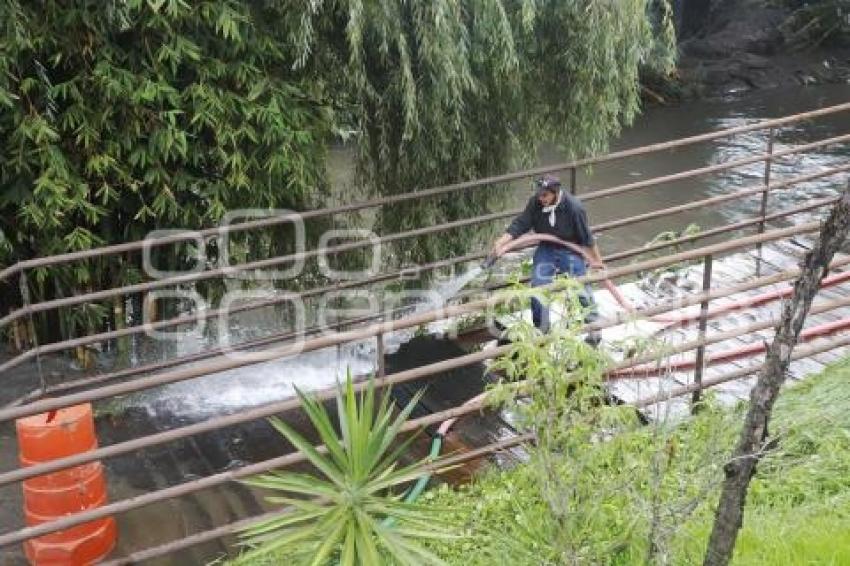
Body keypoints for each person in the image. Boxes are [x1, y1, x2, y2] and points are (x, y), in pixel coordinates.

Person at [490, 174, 602, 335]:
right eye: (539, 194)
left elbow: (587, 238)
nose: (541, 198)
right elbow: (521, 223)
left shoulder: (574, 208)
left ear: (555, 193)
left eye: (545, 195)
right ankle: (542, 329)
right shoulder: (535, 203)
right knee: (538, 286)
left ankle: (594, 329)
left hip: (570, 249)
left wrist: (597, 262)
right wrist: (502, 241)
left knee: (581, 287)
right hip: (547, 248)